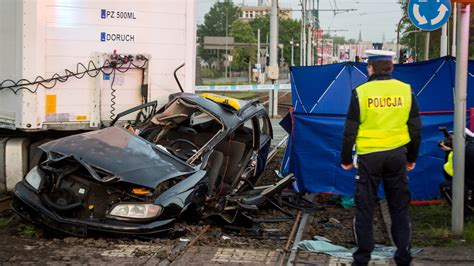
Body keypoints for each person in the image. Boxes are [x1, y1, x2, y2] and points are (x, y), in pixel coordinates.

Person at [340, 50, 422, 266]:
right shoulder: (406, 90)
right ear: (391, 67)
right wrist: (411, 157)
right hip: (397, 156)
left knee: (365, 207)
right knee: (399, 208)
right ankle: (403, 257)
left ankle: (362, 259)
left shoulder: (361, 92)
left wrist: (346, 158)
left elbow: (350, 130)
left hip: (369, 157)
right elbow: (415, 128)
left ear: (370, 68)